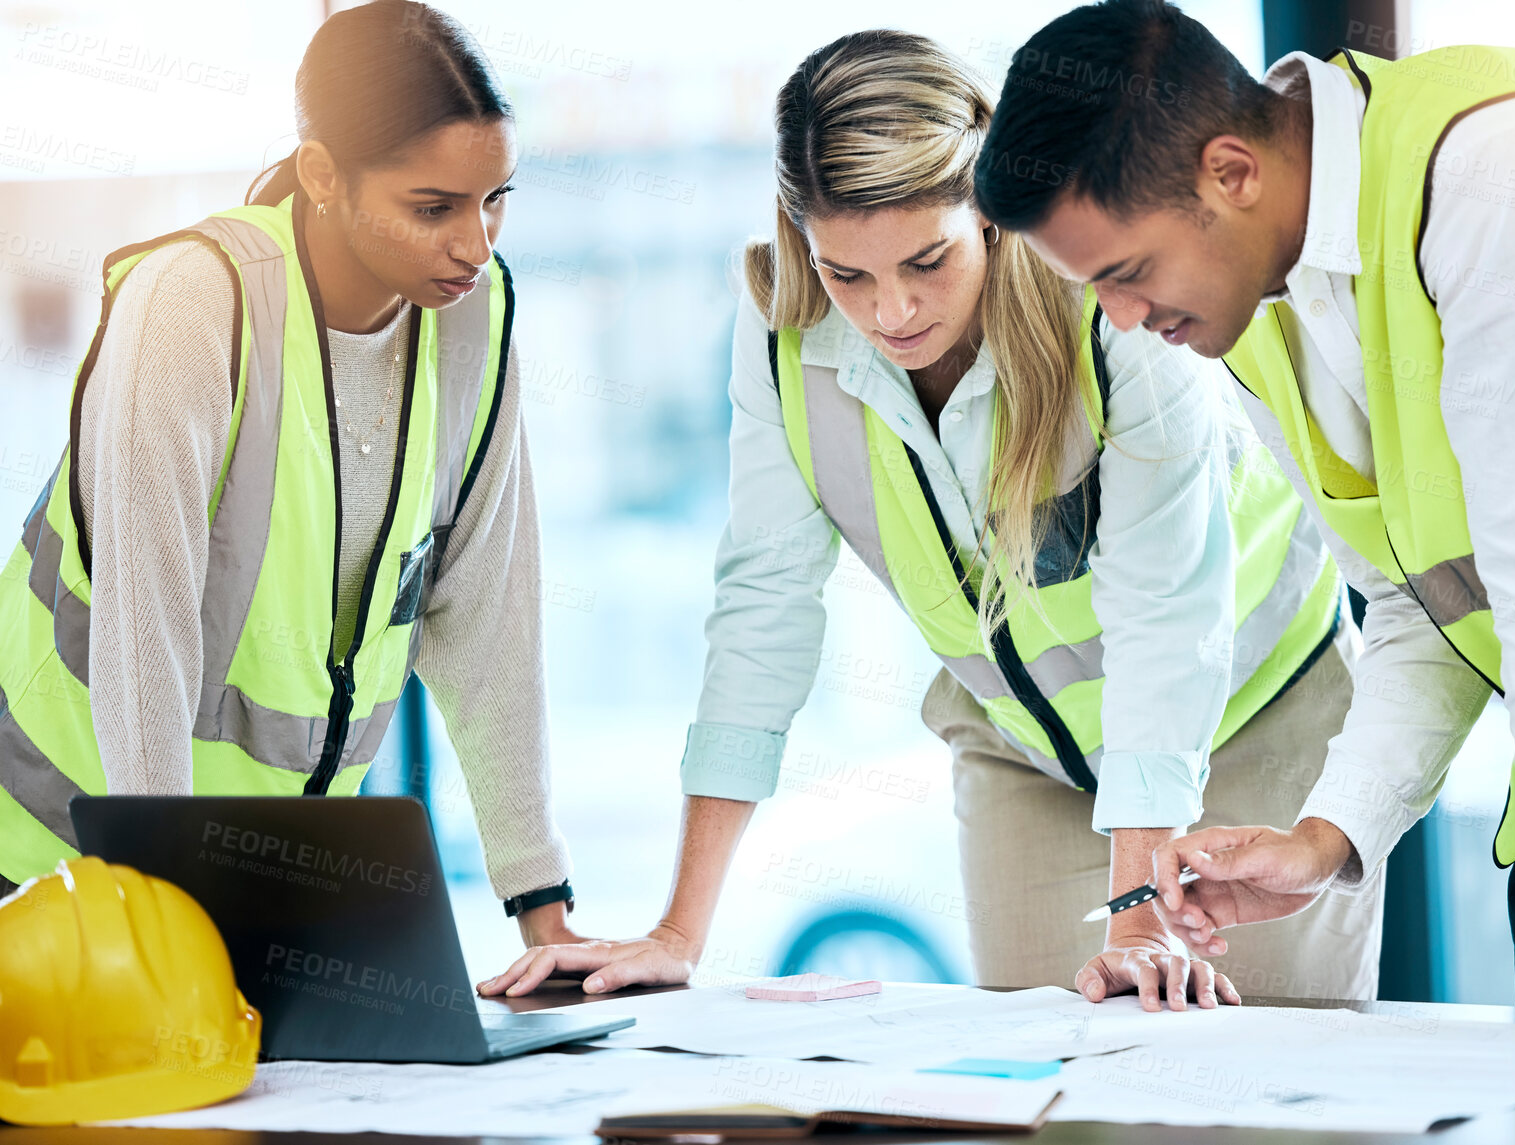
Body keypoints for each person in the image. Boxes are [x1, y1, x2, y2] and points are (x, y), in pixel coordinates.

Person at [480, 29, 1381, 1011]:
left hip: (1251, 711)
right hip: (1021, 752)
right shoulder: (781, 327)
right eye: (847, 275)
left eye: (926, 260)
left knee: (1244, 1075)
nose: (892, 313)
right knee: (1050, 1087)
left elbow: (1166, 617)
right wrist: (677, 932)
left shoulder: (1106, 300)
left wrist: (1138, 906)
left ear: (987, 216)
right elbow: (762, 609)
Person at [974, 0, 1515, 1032]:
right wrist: (1328, 836)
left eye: (1126, 274)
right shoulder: (1255, 312)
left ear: (1231, 172)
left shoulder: (1504, 174)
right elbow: (1422, 602)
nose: (1123, 322)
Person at [0, 0, 580, 945]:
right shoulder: (194, 304)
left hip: (250, 890)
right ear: (322, 175)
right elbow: (143, 635)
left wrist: (542, 915)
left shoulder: (476, 315)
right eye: (432, 208)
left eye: (496, 197)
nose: (477, 245)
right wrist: (160, 916)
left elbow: (486, 615)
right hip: (40, 870)